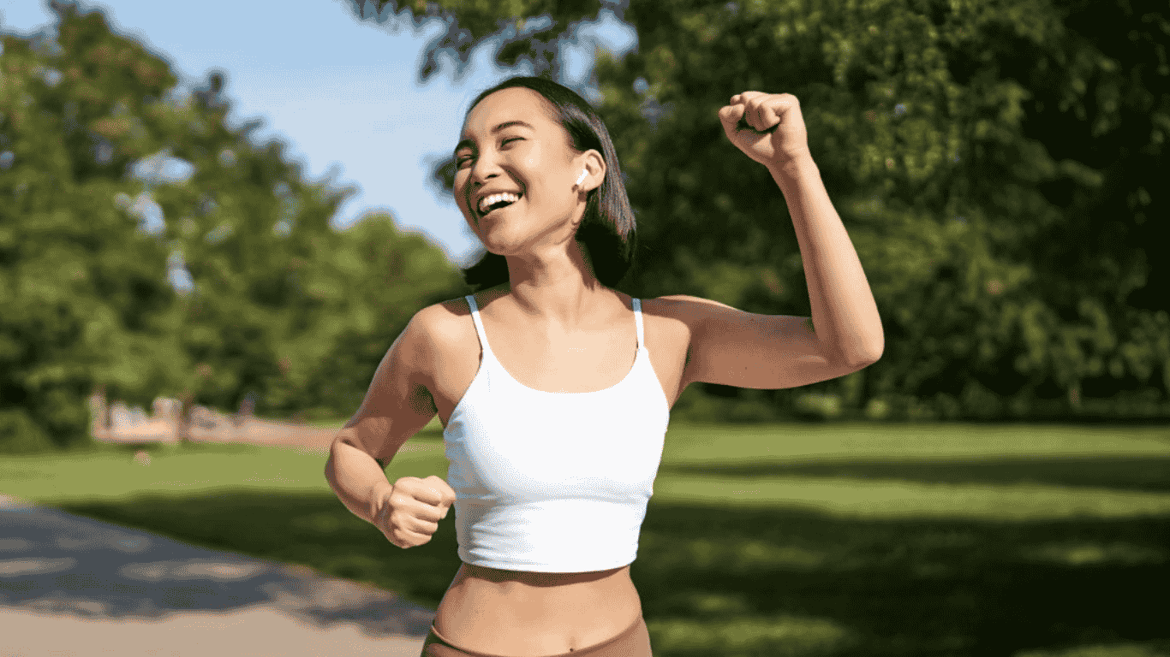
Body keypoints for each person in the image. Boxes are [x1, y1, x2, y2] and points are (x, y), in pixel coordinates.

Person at [324, 75, 884, 657]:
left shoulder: (671, 334)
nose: (478, 168)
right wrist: (381, 503)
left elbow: (848, 346)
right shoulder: (444, 335)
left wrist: (793, 166)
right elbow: (354, 450)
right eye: (465, 157)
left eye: (509, 141)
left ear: (586, 170)